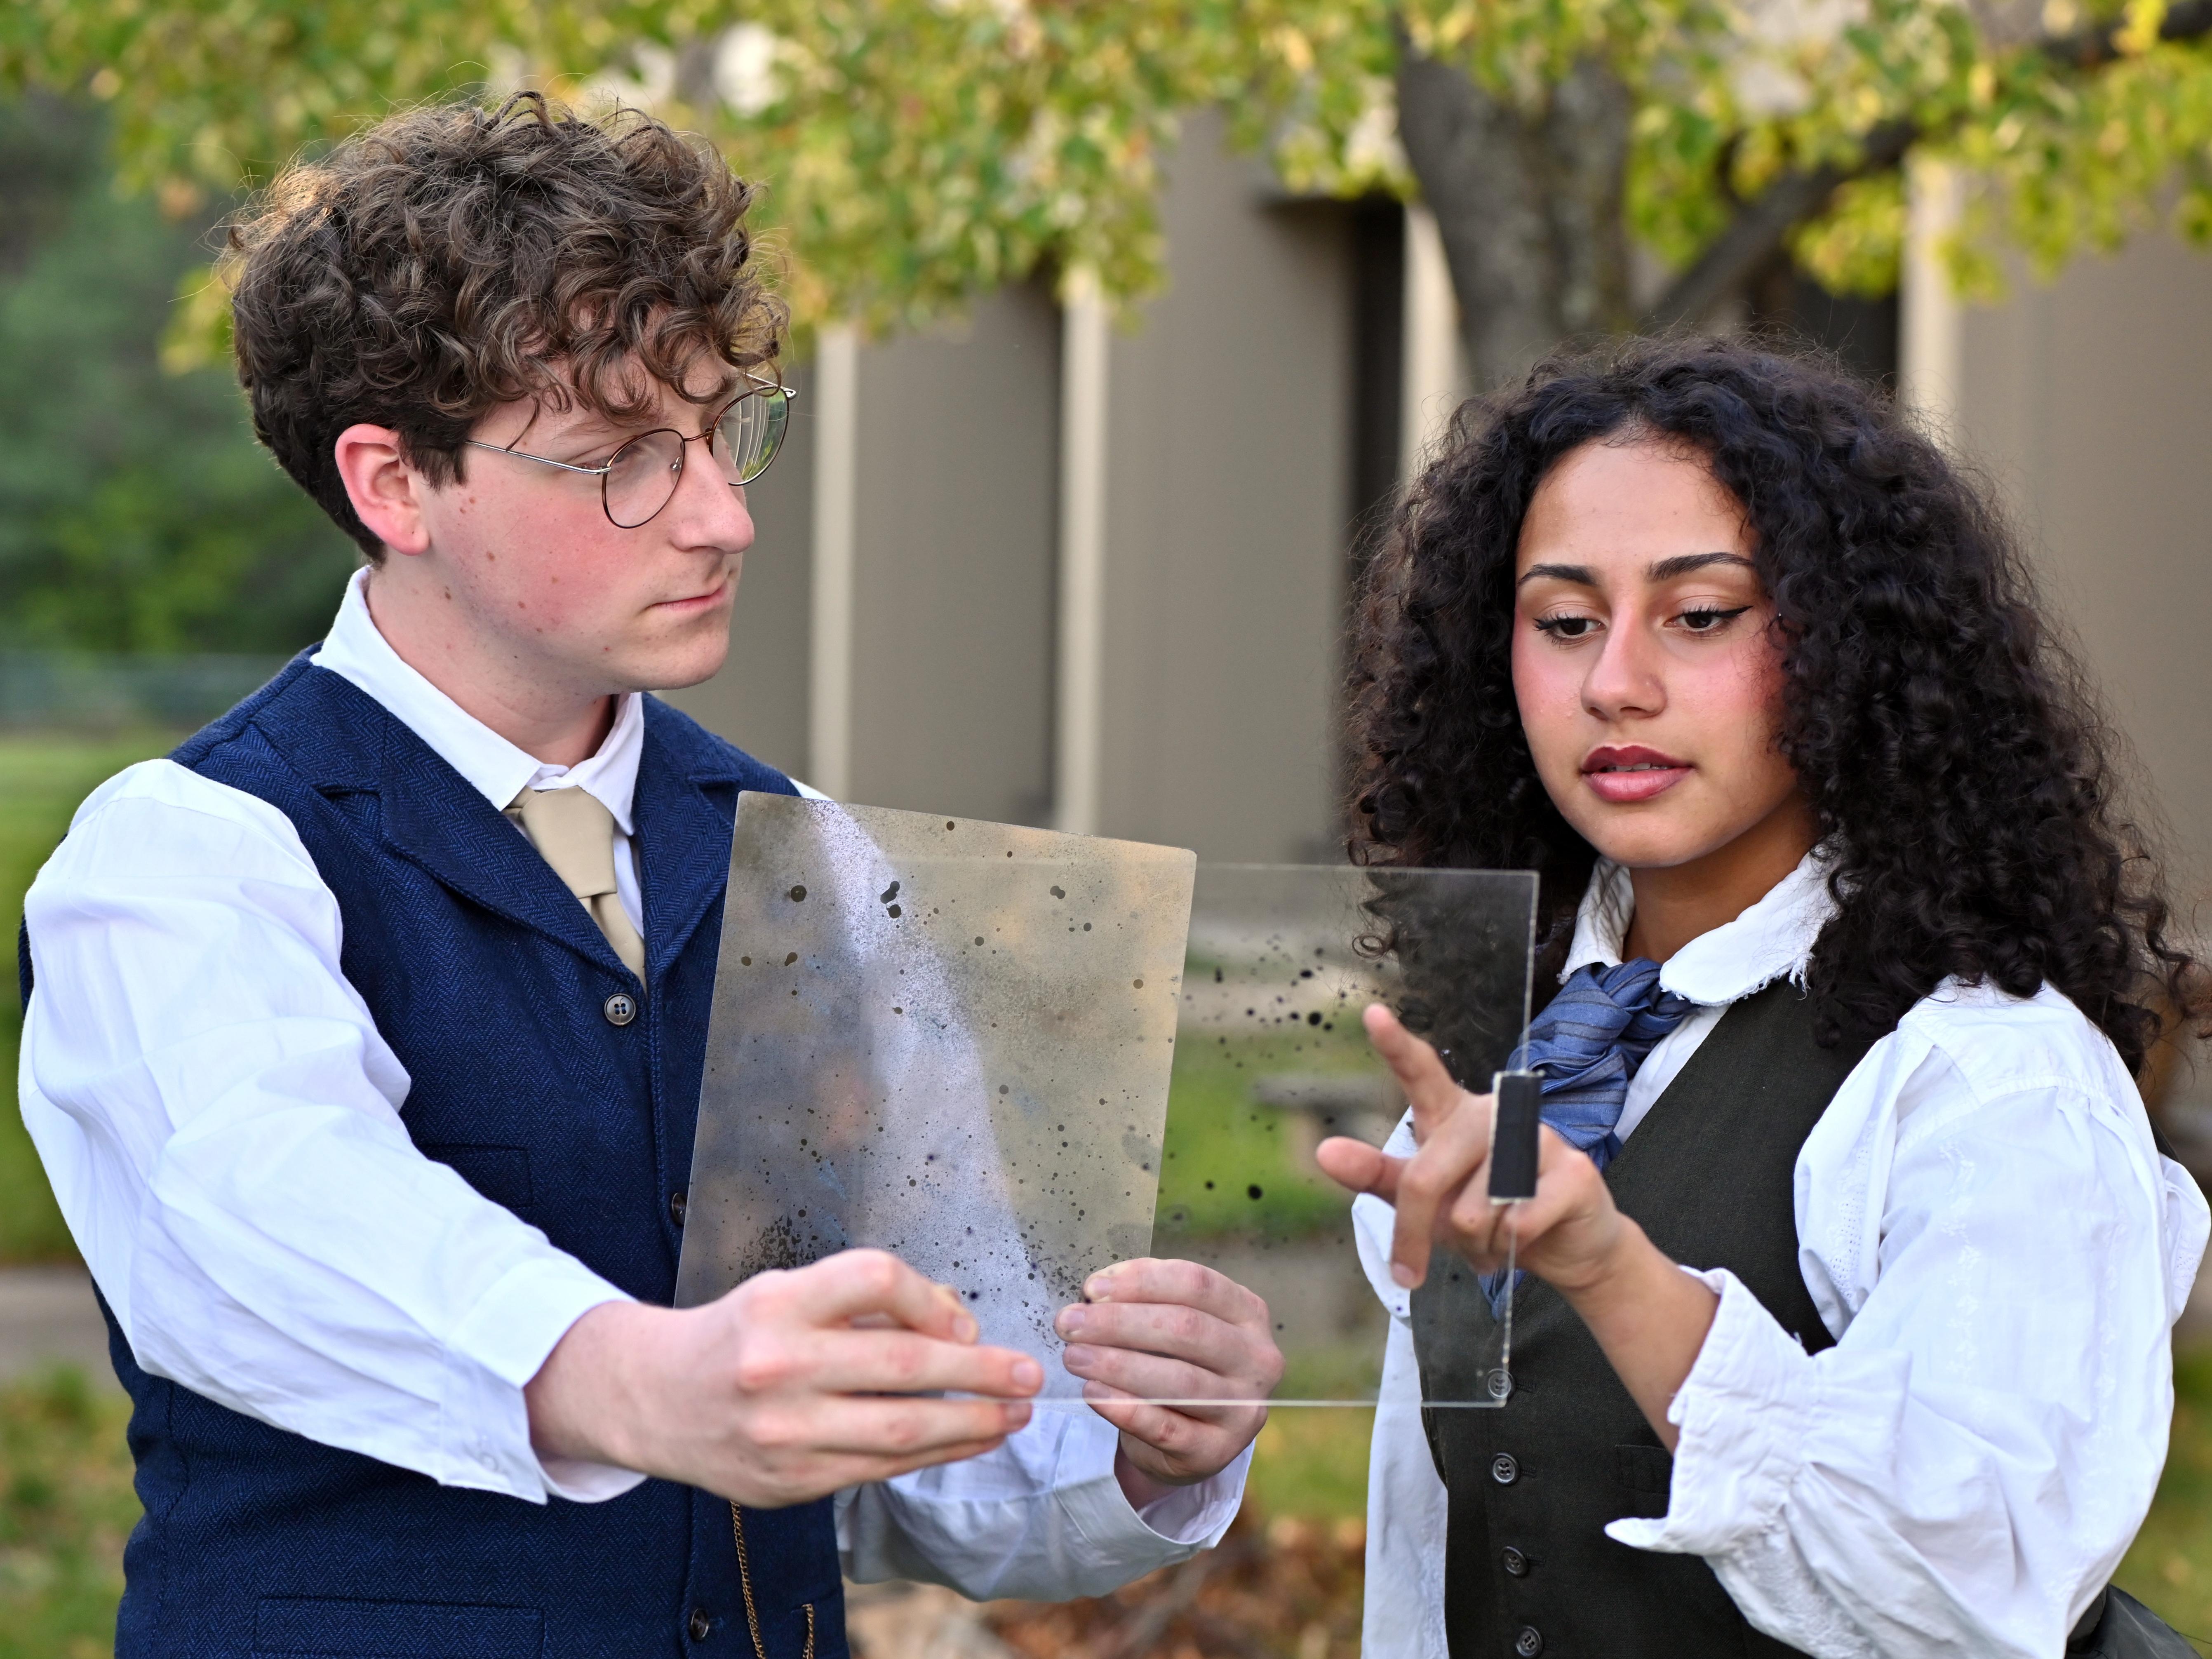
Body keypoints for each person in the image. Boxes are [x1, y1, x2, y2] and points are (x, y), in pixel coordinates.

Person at [16, 94, 1278, 1659]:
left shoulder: (811, 855)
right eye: (621, 460)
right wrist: (638, 1377)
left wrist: (1148, 1441)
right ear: (393, 483)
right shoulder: (189, 858)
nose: (725, 517)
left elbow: (937, 1451)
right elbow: (275, 1222)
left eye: (724, 432)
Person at [1317, 336, 2212, 1659]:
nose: (1615, 683)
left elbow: (1977, 1591)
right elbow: (1437, 1548)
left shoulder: (1983, 1076)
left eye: (1700, 615)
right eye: (1565, 621)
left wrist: (1613, 1271)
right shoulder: (1515, 1044)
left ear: (1851, 647)